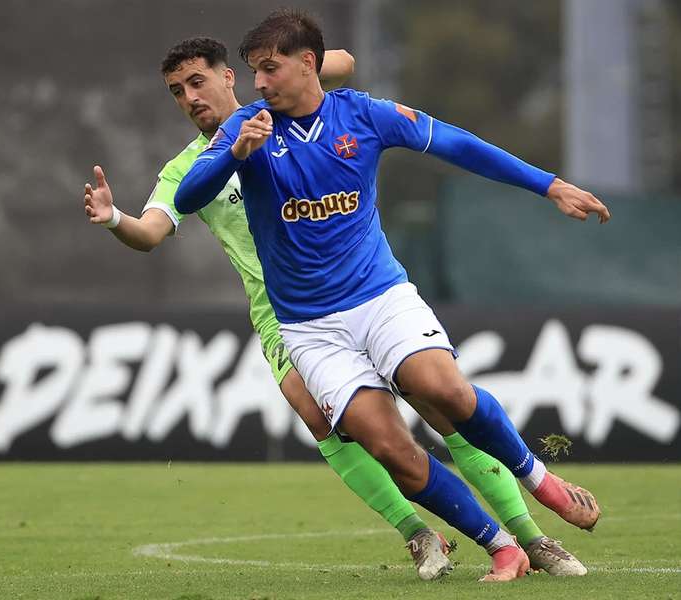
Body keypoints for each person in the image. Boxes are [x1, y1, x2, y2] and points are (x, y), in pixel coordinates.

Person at [84, 36, 586, 580]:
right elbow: (152, 230)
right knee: (326, 418)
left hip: (361, 288)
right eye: (177, 92)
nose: (189, 97)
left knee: (440, 403)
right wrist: (115, 219)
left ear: (231, 77)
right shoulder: (190, 165)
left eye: (197, 82)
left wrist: (313, 67)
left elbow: (330, 66)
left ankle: (532, 537)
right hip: (284, 315)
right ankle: (419, 532)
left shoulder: (287, 108)